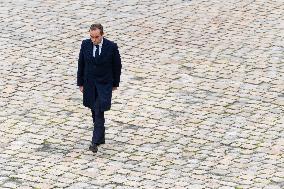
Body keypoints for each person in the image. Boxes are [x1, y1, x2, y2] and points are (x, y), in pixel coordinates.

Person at [77, 23, 122, 153]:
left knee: (98, 111)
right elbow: (81, 64)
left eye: (96, 37)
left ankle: (94, 142)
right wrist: (80, 83)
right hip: (90, 85)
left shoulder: (111, 47)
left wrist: (115, 84)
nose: (94, 40)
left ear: (102, 34)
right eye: (92, 37)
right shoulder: (85, 45)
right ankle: (100, 137)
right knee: (94, 111)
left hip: (104, 85)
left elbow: (117, 66)